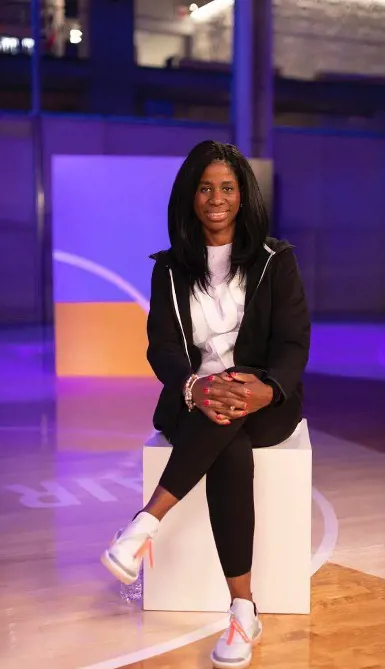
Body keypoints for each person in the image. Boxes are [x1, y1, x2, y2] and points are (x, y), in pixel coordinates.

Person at [100, 140, 310, 669]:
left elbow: (293, 341)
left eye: (227, 187)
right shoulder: (169, 268)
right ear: (190, 197)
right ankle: (245, 610)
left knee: (234, 406)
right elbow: (162, 347)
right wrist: (194, 387)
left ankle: (145, 522)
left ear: (243, 196)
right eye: (205, 187)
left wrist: (267, 388)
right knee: (227, 436)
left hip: (263, 399)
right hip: (197, 400)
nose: (216, 198)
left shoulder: (274, 259)